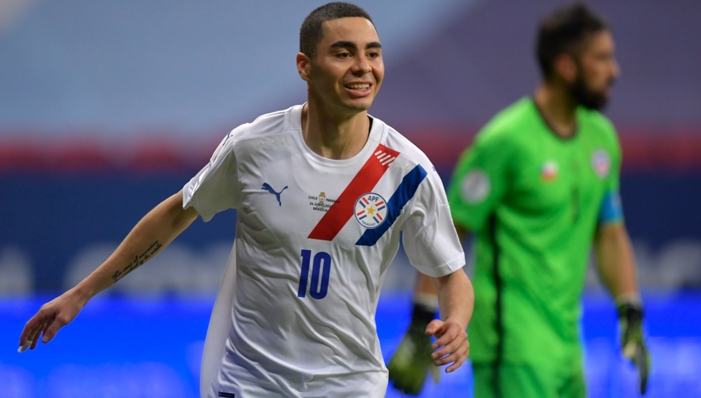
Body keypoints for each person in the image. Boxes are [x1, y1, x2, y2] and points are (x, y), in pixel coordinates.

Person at [18, 2, 474, 397]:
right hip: (250, 381)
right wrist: (82, 293)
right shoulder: (254, 146)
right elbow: (176, 215)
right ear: (304, 66)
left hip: (350, 384)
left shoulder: (406, 169)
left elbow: (451, 275)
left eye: (373, 54)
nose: (363, 67)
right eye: (343, 53)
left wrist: (456, 323)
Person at [387, 3, 649, 397]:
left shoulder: (603, 140)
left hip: (566, 347)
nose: (614, 70)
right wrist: (419, 324)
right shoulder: (504, 142)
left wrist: (630, 311)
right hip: (511, 346)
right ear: (566, 66)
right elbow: (446, 234)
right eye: (602, 58)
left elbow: (610, 233)